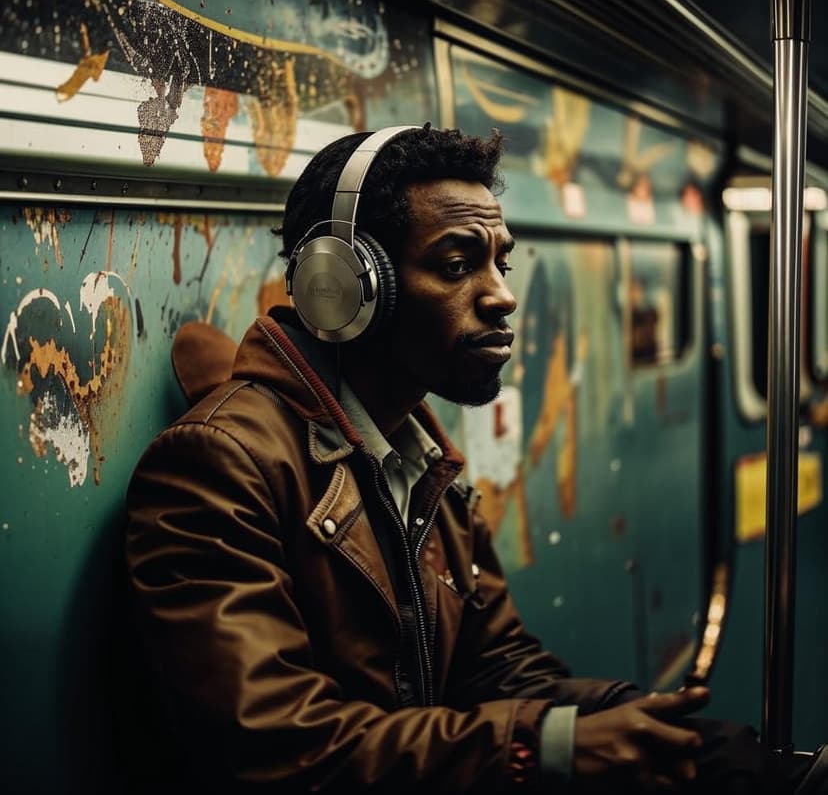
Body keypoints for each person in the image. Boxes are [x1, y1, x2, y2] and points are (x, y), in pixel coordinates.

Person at [124, 124, 826, 794]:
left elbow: (498, 670)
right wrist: (539, 752)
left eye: (501, 261)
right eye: (458, 265)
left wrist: (668, 736)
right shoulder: (213, 470)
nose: (503, 295)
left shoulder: (422, 463)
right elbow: (276, 750)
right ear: (341, 288)